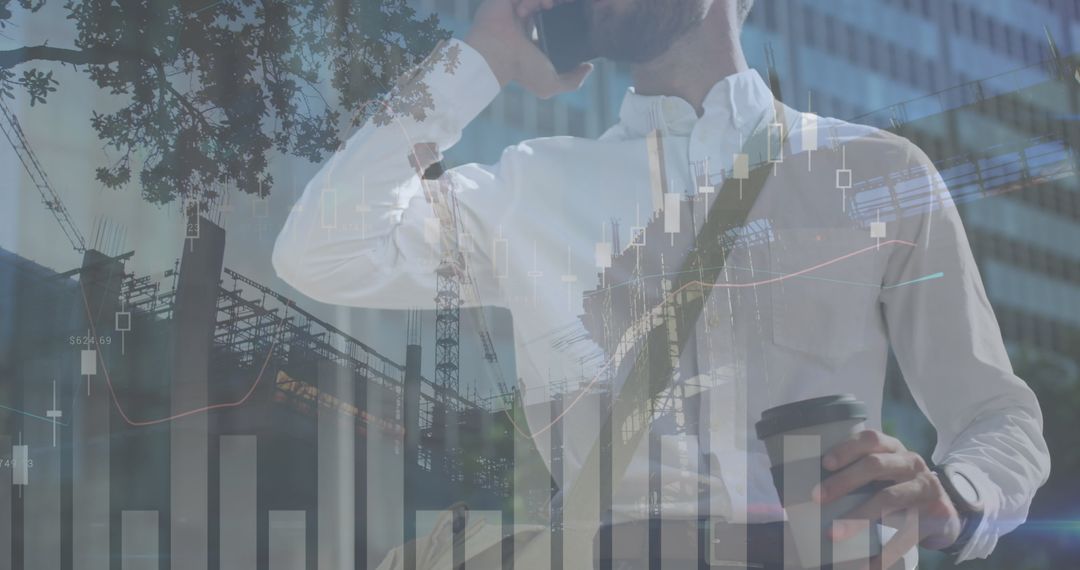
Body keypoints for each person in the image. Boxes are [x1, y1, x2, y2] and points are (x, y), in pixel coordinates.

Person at [272, 0, 1050, 568]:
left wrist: (957, 498)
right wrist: (479, 60)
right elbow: (320, 248)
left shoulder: (877, 172)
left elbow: (996, 412)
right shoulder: (531, 187)